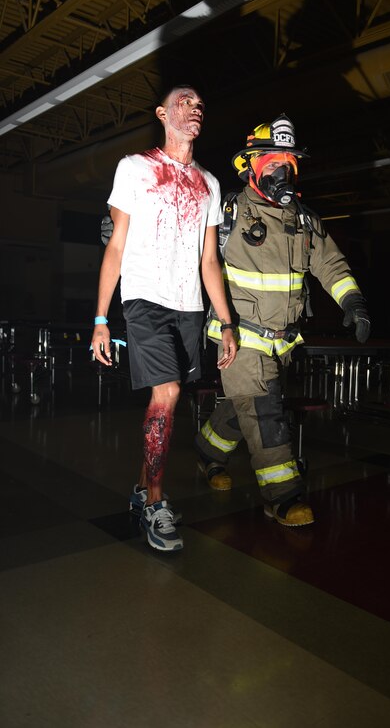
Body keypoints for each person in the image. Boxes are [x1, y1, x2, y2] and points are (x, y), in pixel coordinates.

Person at [195, 114, 370, 527]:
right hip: (237, 337)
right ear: (252, 167)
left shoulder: (304, 220)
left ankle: (207, 453)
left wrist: (354, 302)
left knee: (242, 412)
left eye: (288, 166)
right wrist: (121, 229)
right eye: (273, 164)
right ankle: (284, 496)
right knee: (264, 413)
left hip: (282, 341)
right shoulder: (227, 212)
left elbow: (330, 265)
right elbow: (181, 236)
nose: (281, 172)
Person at [91, 85, 237, 552]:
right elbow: (115, 245)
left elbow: (209, 261)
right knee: (168, 391)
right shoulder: (134, 169)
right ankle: (156, 504)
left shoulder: (210, 184)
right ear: (162, 113)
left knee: (169, 402)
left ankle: (140, 490)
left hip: (190, 305)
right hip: (144, 300)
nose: (195, 109)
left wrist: (226, 322)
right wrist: (101, 318)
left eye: (200, 104)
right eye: (185, 102)